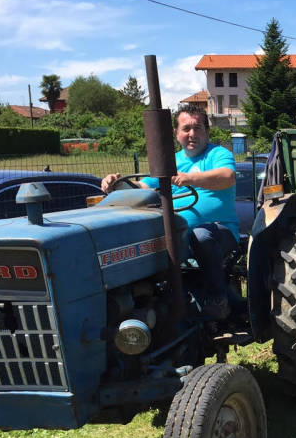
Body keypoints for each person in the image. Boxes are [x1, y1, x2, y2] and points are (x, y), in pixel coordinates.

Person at [102, 104, 240, 319]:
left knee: (200, 235)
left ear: (207, 131)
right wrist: (117, 184)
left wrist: (189, 178)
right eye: (186, 129)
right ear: (176, 134)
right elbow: (144, 187)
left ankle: (218, 298)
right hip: (176, 235)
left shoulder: (218, 154)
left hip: (219, 232)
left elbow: (227, 176)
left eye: (198, 128)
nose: (192, 134)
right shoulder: (170, 161)